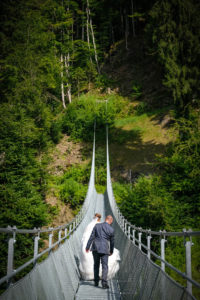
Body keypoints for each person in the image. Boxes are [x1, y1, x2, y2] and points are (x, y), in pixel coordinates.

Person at [85, 215, 118, 289]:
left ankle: (96, 282)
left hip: (95, 248)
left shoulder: (97, 226)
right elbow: (112, 242)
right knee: (105, 266)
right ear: (111, 221)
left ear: (105, 219)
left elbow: (91, 237)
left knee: (96, 265)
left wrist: (87, 247)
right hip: (104, 249)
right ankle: (104, 283)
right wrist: (111, 251)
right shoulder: (111, 229)